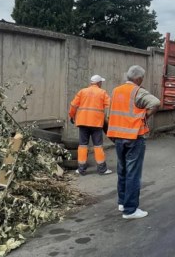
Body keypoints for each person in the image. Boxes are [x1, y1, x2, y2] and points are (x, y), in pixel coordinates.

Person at [106, 65, 160, 220]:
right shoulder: (138, 91)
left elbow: (110, 114)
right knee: (133, 173)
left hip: (118, 136)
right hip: (134, 137)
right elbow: (156, 103)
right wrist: (144, 116)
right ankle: (130, 210)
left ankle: (122, 203)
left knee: (122, 170)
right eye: (142, 78)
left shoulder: (116, 91)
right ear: (138, 78)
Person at [68, 74, 112, 176]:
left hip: (83, 123)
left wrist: (72, 116)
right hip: (96, 123)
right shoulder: (102, 92)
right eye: (101, 82)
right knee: (98, 146)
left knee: (83, 146)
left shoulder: (82, 91)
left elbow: (73, 105)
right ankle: (102, 169)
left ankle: (81, 169)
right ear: (99, 83)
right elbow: (110, 106)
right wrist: (109, 119)